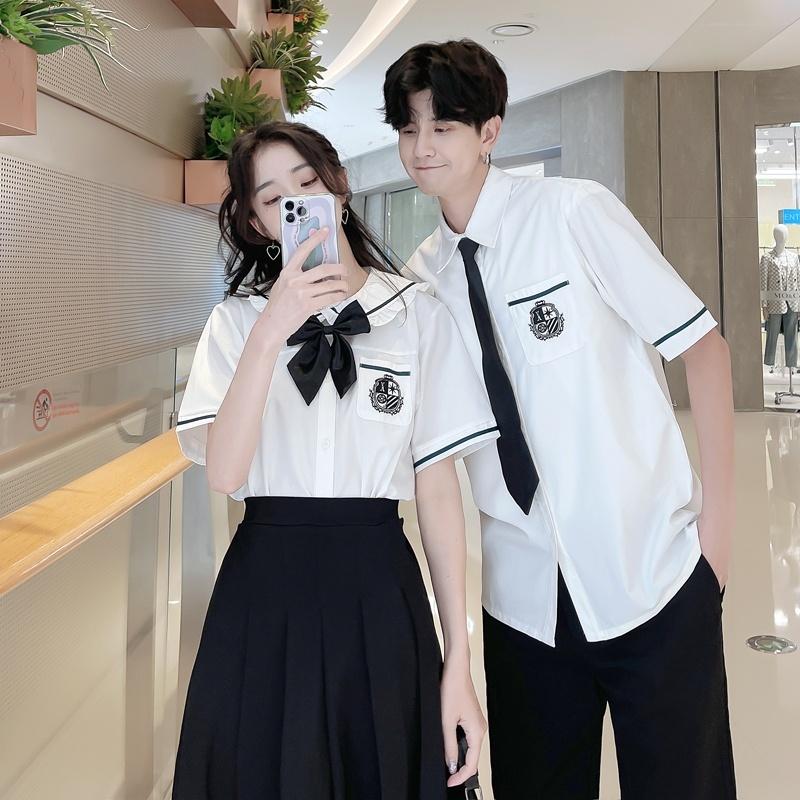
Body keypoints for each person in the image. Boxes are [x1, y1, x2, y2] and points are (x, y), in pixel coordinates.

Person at [383, 39, 737, 799]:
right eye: (408, 129)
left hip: (650, 574)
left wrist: (717, 542)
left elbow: (704, 350)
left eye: (443, 126)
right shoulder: (421, 282)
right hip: (523, 605)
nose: (422, 147)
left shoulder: (574, 213)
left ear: (490, 131)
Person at [171, 120, 497, 799]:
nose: (296, 202)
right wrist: (271, 329)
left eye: (308, 182)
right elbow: (225, 476)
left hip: (378, 591)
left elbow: (438, 495)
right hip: (265, 593)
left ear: (339, 188)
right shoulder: (235, 325)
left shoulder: (417, 316)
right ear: (258, 224)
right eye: (272, 198)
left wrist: (458, 663)